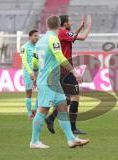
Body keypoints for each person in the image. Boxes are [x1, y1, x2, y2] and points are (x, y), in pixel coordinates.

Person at [30, 15, 89, 149]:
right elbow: (60, 57)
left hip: (51, 81)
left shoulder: (40, 41)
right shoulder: (53, 39)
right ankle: (34, 141)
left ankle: (71, 139)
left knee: (62, 106)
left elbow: (34, 61)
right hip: (48, 81)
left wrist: (35, 77)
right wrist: (74, 72)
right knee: (43, 110)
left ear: (47, 25)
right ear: (58, 25)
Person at [45, 14, 91, 135]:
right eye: (69, 21)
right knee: (75, 96)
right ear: (64, 23)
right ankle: (73, 127)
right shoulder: (63, 32)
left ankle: (50, 118)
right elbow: (83, 37)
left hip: (61, 69)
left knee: (67, 98)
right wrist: (88, 26)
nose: (71, 23)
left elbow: (73, 37)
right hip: (65, 69)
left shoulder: (61, 33)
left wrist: (80, 28)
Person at [20, 30, 39, 120]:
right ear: (30, 36)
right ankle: (30, 114)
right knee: (29, 93)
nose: (37, 37)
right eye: (35, 36)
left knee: (42, 92)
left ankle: (35, 110)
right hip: (29, 72)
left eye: (37, 36)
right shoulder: (24, 47)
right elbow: (24, 61)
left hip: (38, 72)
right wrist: (30, 72)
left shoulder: (38, 47)